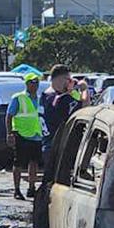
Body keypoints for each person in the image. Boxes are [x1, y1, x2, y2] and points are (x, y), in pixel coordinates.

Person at [8, 71, 44, 200]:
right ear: (27, 84)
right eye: (32, 82)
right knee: (18, 163)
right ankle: (17, 190)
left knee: (34, 163)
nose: (35, 85)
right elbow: (9, 115)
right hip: (21, 134)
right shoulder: (19, 98)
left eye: (37, 82)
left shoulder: (40, 99)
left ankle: (31, 187)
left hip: (36, 134)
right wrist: (9, 133)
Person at [41, 64, 82, 154]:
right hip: (57, 145)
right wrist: (85, 89)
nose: (69, 82)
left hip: (49, 143)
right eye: (68, 79)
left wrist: (69, 91)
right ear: (60, 79)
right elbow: (84, 107)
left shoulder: (45, 95)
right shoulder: (57, 98)